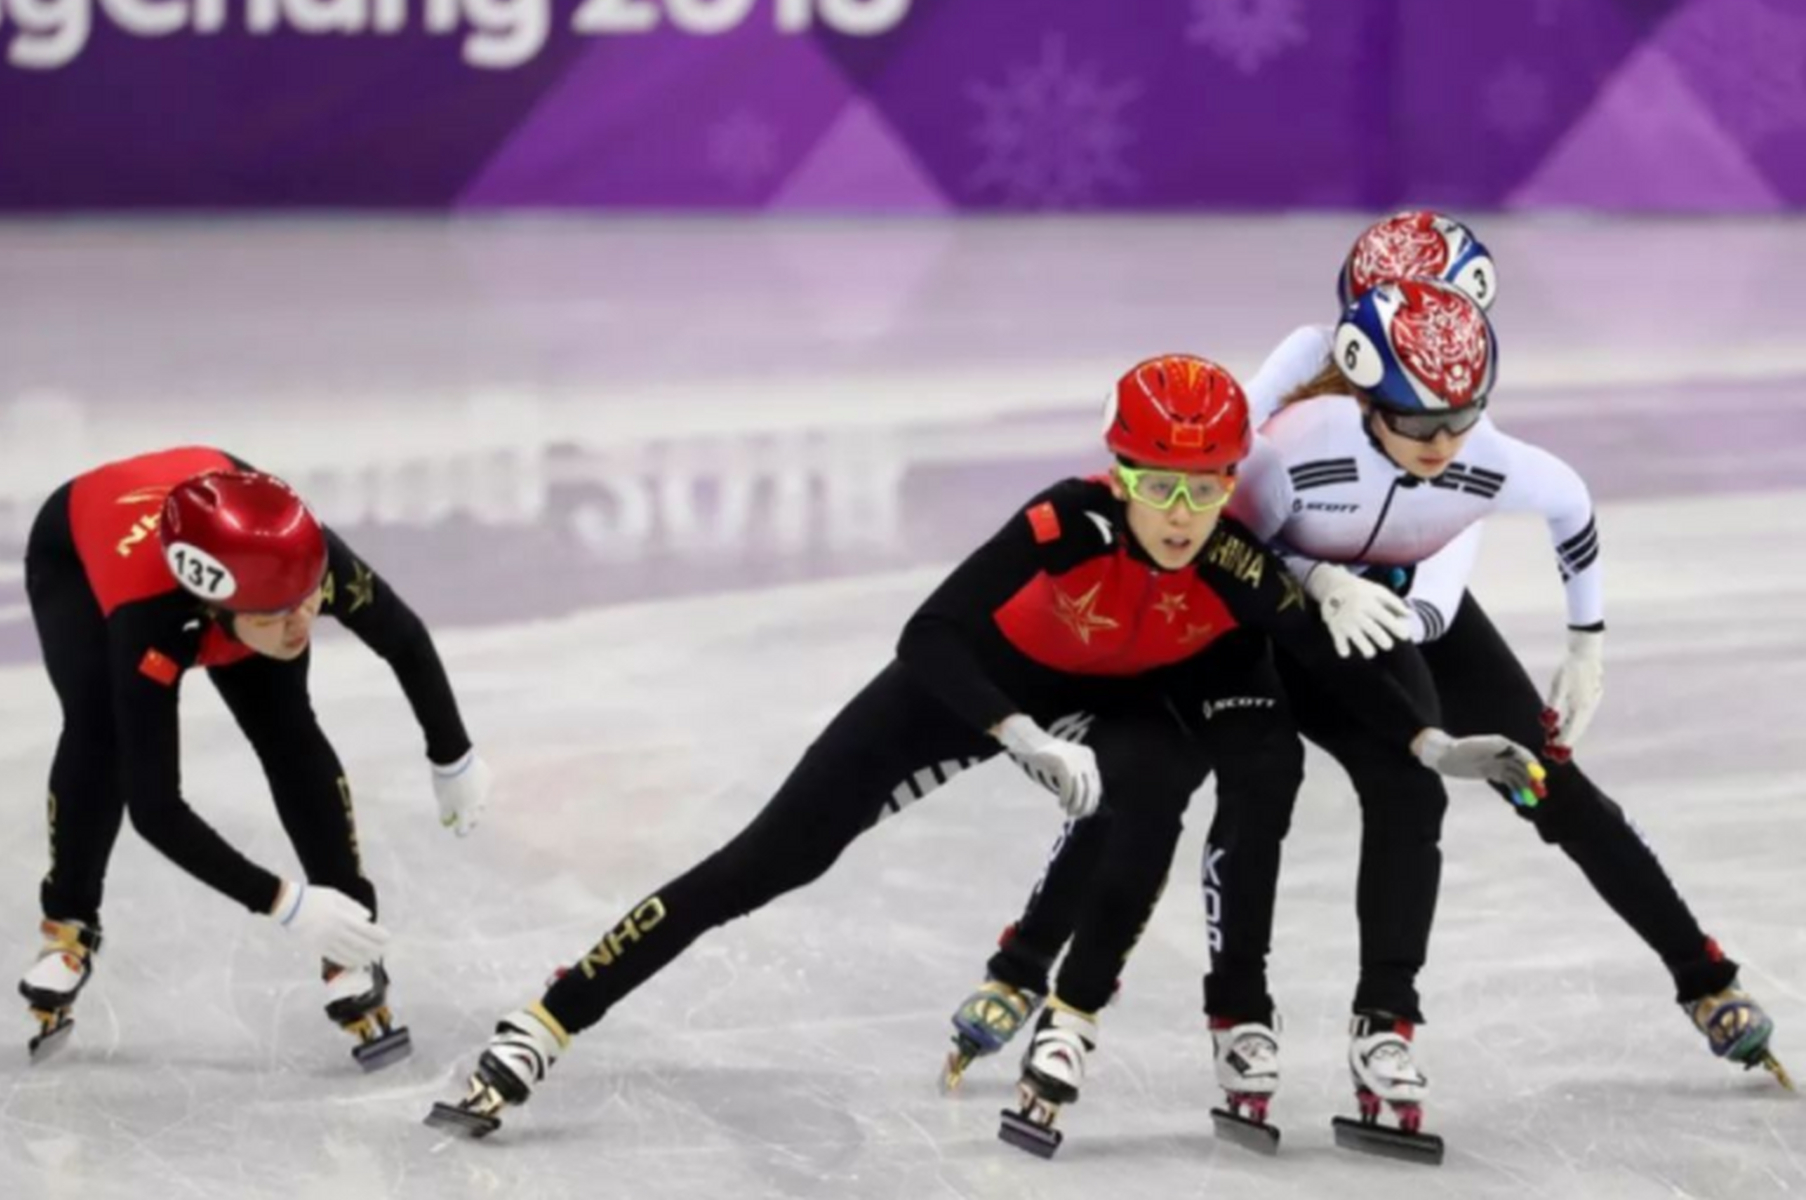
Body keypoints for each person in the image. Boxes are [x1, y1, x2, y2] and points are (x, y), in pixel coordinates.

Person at [424, 356, 1540, 1145]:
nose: (1180, 512)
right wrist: (1012, 730)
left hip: (1100, 705)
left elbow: (1322, 660)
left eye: (1204, 487)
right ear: (1117, 472)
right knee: (770, 859)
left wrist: (1429, 741)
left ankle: (1058, 1004)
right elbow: (929, 633)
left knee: (1150, 784)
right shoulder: (1065, 521)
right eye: (1156, 485)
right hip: (977, 689)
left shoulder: (1234, 559)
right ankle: (546, 1020)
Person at [950, 261, 1791, 1142]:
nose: (1436, 423)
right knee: (1163, 778)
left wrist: (1583, 646)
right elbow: (1221, 515)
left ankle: (1698, 976)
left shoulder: (1461, 435)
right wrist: (1311, 580)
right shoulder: (1303, 384)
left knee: (1535, 780)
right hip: (1274, 605)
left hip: (1398, 609)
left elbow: (1445, 582)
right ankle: (1033, 966)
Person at [19, 447, 494, 1069]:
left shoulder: (302, 561)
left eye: (308, 602)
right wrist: (284, 902)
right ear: (215, 608)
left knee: (286, 729)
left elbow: (403, 638)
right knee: (98, 730)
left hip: (239, 552)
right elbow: (155, 809)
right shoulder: (151, 621)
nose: (301, 625)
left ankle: (352, 945)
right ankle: (68, 925)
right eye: (277, 615)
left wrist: (452, 757)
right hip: (77, 551)